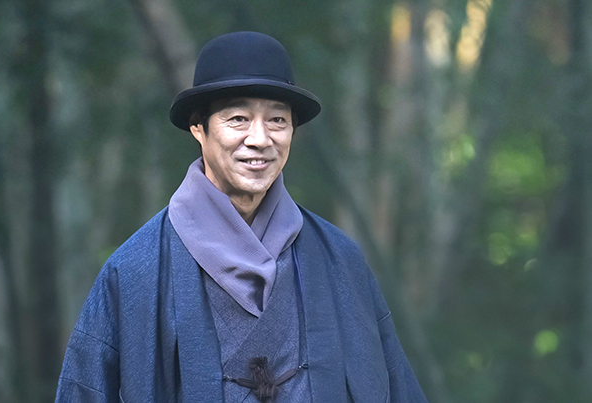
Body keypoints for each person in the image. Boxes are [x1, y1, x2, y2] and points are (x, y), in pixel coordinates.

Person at [55, 31, 427, 403]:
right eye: (238, 118)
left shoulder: (340, 260)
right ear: (198, 128)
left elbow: (397, 389)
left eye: (277, 120)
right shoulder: (135, 270)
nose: (260, 139)